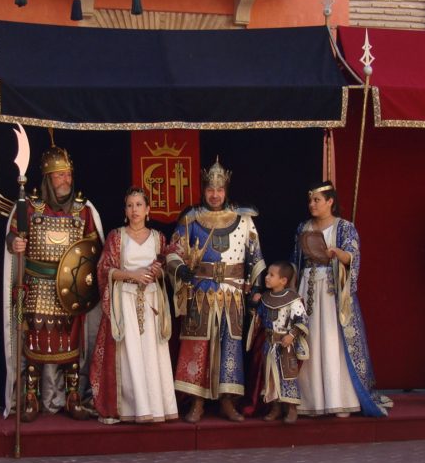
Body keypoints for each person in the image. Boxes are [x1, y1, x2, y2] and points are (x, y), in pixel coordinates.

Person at [6, 141, 103, 421]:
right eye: (60, 175)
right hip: (36, 285)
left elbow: (93, 250)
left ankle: (73, 396)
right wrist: (14, 243)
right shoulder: (30, 208)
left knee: (70, 345)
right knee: (35, 343)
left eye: (68, 174)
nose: (66, 180)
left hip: (71, 290)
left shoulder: (83, 210)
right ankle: (31, 397)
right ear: (48, 177)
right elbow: (13, 234)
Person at [166, 157, 265, 423]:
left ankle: (227, 401)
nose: (215, 195)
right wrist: (180, 269)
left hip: (233, 293)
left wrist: (256, 289)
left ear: (226, 190)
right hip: (200, 291)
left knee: (230, 346)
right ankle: (196, 402)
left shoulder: (244, 218)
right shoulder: (191, 218)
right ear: (204, 189)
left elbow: (255, 255)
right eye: (210, 189)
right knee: (197, 346)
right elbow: (173, 251)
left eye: (219, 190)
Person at [291, 182, 389, 417]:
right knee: (309, 339)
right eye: (310, 200)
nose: (312, 204)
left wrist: (336, 253)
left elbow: (352, 257)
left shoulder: (344, 227)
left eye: (317, 200)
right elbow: (296, 260)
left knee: (331, 340)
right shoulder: (304, 227)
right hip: (308, 288)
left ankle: (340, 399)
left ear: (330, 202)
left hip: (332, 291)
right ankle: (310, 400)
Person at [90, 186, 177, 424]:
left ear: (148, 209)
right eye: (130, 205)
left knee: (152, 352)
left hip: (151, 303)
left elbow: (166, 271)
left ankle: (156, 407)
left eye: (139, 205)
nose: (134, 210)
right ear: (125, 210)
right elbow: (104, 269)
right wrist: (132, 274)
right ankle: (133, 407)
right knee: (129, 354)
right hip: (126, 301)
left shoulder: (158, 238)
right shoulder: (116, 237)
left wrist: (158, 273)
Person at [247, 260, 308, 424]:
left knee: (288, 376)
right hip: (269, 344)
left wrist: (292, 335)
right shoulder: (265, 299)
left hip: (285, 346)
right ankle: (275, 408)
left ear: (283, 280)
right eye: (267, 274)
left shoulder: (293, 300)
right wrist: (254, 303)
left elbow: (302, 320)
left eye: (271, 275)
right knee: (270, 377)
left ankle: (291, 408)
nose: (267, 277)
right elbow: (258, 318)